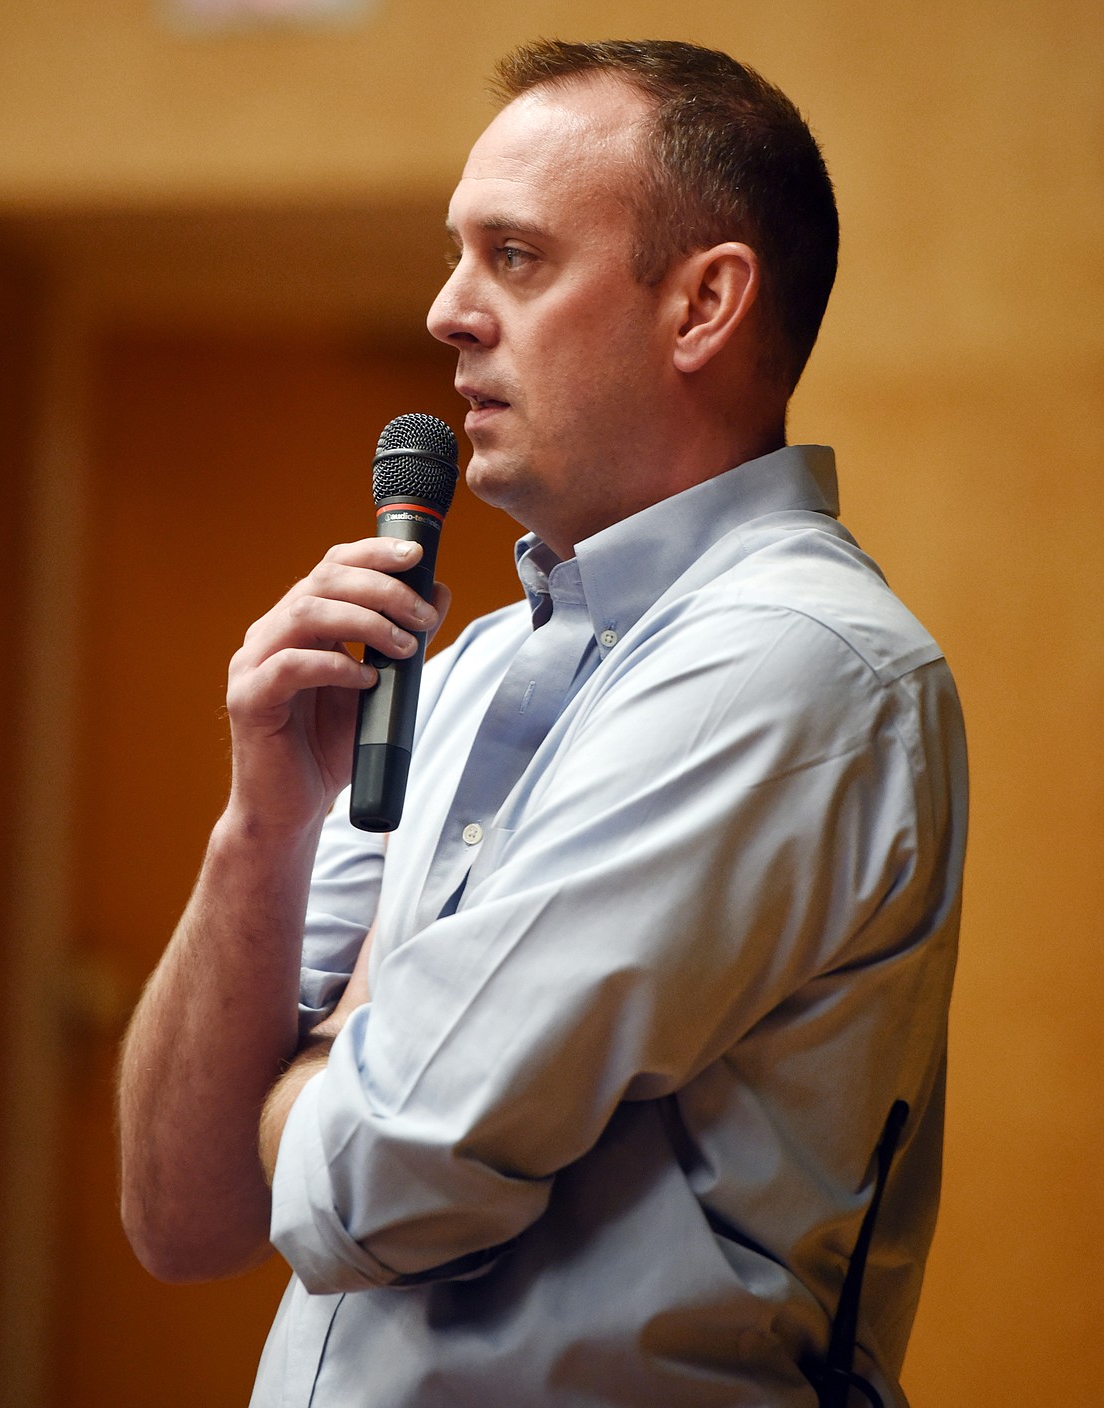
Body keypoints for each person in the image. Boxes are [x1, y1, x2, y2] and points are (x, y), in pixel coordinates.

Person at [118, 39, 967, 1408]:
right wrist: (258, 829)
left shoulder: (791, 670)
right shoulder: (458, 674)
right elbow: (183, 1213)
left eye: (512, 257)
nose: (447, 311)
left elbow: (381, 1184)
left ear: (701, 306)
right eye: (456, 255)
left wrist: (326, 1055)